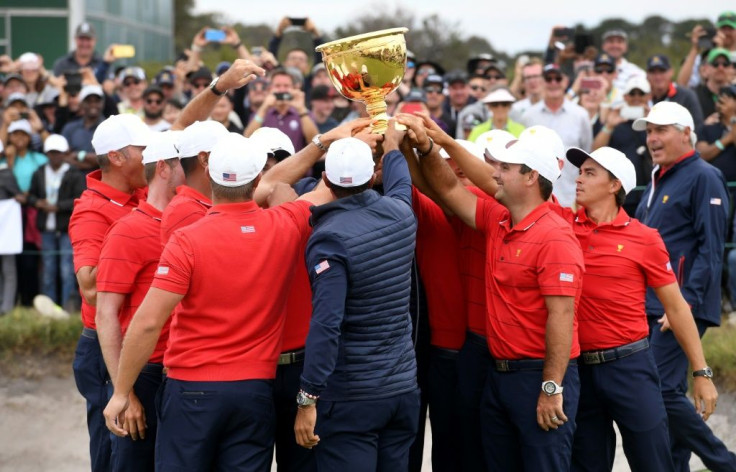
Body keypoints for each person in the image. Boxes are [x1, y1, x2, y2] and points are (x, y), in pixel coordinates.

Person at [103, 132, 332, 471]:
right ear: (257, 180)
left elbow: (149, 321)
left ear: (208, 174)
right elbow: (327, 189)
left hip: (192, 387)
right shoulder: (282, 223)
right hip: (253, 388)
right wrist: (338, 139)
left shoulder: (187, 240)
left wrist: (121, 391)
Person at [410, 112, 585, 471]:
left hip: (537, 375)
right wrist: (434, 143)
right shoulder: (499, 219)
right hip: (498, 372)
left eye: (506, 168)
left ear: (532, 176)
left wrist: (551, 388)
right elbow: (447, 188)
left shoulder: (555, 235)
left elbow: (562, 316)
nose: (495, 173)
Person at [559, 146, 717, 472]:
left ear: (615, 185)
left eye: (590, 173)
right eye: (580, 171)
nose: (579, 179)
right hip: (578, 370)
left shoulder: (644, 238)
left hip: (630, 367)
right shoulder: (563, 226)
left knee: (653, 463)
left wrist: (701, 372)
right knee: (586, 464)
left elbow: (676, 306)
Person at [294, 130, 420, 471]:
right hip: (401, 390)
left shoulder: (329, 239)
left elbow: (326, 323)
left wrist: (307, 397)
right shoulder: (401, 215)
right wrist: (392, 142)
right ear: (372, 176)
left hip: (352, 399)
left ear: (324, 180)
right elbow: (401, 183)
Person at [633, 102, 736, 472]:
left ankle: (724, 462)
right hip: (659, 305)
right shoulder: (661, 176)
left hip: (681, 307)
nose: (653, 138)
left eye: (661, 130)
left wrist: (686, 305)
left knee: (657, 389)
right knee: (666, 395)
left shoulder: (704, 176)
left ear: (686, 134)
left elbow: (711, 249)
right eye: (649, 131)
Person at [68, 113, 151, 472]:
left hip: (129, 340)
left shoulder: (139, 192)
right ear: (116, 157)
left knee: (134, 450)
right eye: (143, 149)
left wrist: (218, 88)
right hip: (106, 346)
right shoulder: (91, 209)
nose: (151, 156)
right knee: (115, 451)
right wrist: (132, 234)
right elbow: (89, 288)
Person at [95, 132, 183, 471]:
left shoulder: (194, 222)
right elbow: (106, 315)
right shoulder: (127, 230)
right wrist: (125, 391)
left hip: (182, 374)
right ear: (163, 168)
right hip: (144, 374)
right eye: (184, 166)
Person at [26, 134, 84, 311]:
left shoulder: (73, 173)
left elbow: (79, 198)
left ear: (65, 153)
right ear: (47, 154)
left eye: (58, 153)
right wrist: (37, 203)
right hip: (47, 229)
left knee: (67, 271)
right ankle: (48, 309)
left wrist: (58, 207)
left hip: (66, 228)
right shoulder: (39, 172)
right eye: (51, 153)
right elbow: (31, 195)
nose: (55, 156)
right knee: (48, 271)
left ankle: (67, 307)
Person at [522, 64, 592, 207]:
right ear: (542, 82)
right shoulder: (528, 116)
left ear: (565, 82)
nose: (553, 83)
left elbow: (586, 157)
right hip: (535, 200)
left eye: (558, 78)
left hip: (571, 199)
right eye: (548, 79)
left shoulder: (581, 115)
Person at [593, 76, 652, 215]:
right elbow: (595, 151)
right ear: (625, 96)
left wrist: (651, 123)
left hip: (647, 191)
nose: (636, 97)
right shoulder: (614, 121)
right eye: (632, 93)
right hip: (620, 194)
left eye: (641, 94)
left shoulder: (654, 122)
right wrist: (609, 125)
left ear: (648, 96)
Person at [244, 68, 318, 152]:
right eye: (277, 86)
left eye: (286, 86)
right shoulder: (261, 113)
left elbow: (314, 143)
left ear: (293, 89)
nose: (282, 90)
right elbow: (247, 139)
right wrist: (264, 108)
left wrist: (301, 110)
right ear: (270, 89)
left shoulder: (304, 113)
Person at [646, 54, 704, 129]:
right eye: (653, 72)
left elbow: (698, 127)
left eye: (662, 71)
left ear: (671, 72)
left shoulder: (686, 96)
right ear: (647, 75)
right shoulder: (640, 97)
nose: (658, 76)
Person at [61, 84, 106, 171]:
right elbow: (63, 157)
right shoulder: (70, 128)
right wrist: (91, 162)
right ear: (81, 104)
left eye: (97, 101)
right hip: (74, 180)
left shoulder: (109, 127)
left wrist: (79, 155)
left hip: (100, 180)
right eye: (89, 101)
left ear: (102, 103)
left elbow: (107, 158)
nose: (93, 104)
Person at [694, 49, 736, 121]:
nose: (720, 68)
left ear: (731, 68)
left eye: (725, 64)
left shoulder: (734, 94)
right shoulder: (695, 95)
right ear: (706, 68)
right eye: (715, 64)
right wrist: (705, 126)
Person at [510, 58, 545, 122]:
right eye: (528, 77)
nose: (532, 81)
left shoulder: (555, 107)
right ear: (523, 81)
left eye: (536, 76)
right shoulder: (516, 109)